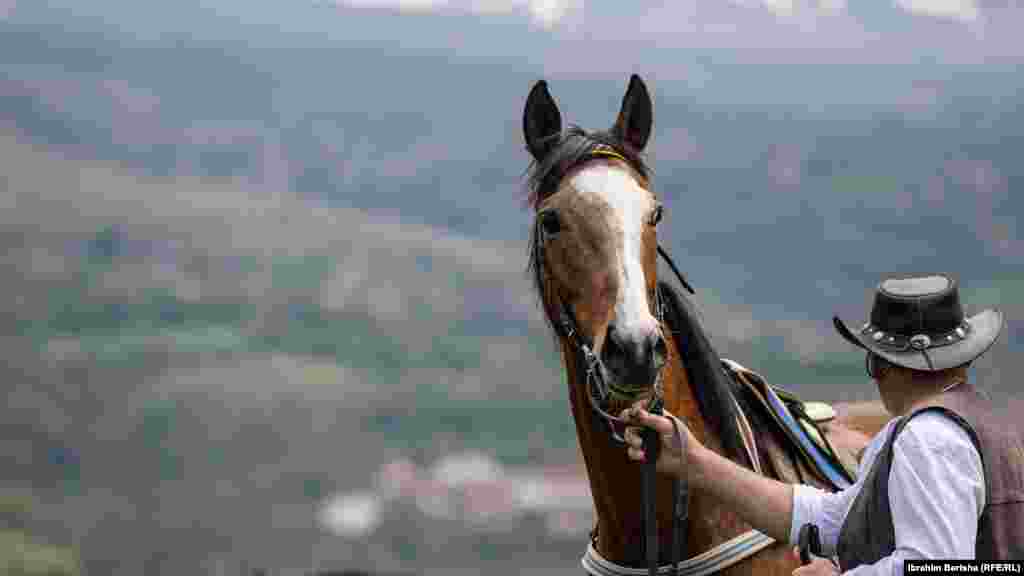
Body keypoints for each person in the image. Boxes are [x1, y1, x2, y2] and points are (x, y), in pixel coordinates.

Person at [621, 274, 1022, 574]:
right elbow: (830, 519)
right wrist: (694, 461)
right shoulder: (976, 424)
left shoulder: (927, 440)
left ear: (882, 365)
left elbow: (933, 568)